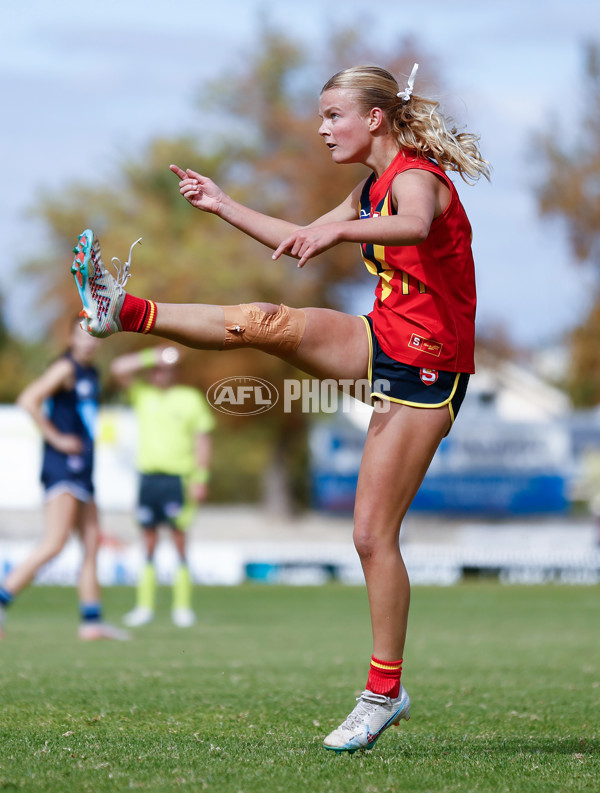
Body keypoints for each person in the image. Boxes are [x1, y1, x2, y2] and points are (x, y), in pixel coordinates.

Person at [69, 63, 490, 751]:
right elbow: (295, 237)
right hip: (381, 338)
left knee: (370, 535)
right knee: (263, 320)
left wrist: (340, 233)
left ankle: (384, 692)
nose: (323, 129)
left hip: (428, 368)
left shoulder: (413, 179)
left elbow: (413, 226)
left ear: (374, 119)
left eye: (332, 115)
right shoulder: (369, 187)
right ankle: (125, 311)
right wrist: (223, 204)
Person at [0, 321, 129, 641]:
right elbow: (28, 399)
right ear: (70, 337)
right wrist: (56, 439)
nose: (88, 341)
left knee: (90, 544)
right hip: (63, 468)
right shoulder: (65, 368)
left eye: (93, 335)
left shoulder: (92, 373)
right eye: (81, 334)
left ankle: (92, 622)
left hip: (83, 469)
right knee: (54, 543)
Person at [109, 344, 214, 628]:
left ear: (175, 373)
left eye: (167, 370)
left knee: (179, 541)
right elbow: (117, 368)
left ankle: (182, 607)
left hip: (177, 478)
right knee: (149, 542)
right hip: (148, 478)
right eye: (157, 370)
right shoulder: (143, 395)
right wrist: (152, 355)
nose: (161, 375)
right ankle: (144, 606)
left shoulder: (189, 399)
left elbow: (203, 440)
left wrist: (200, 478)